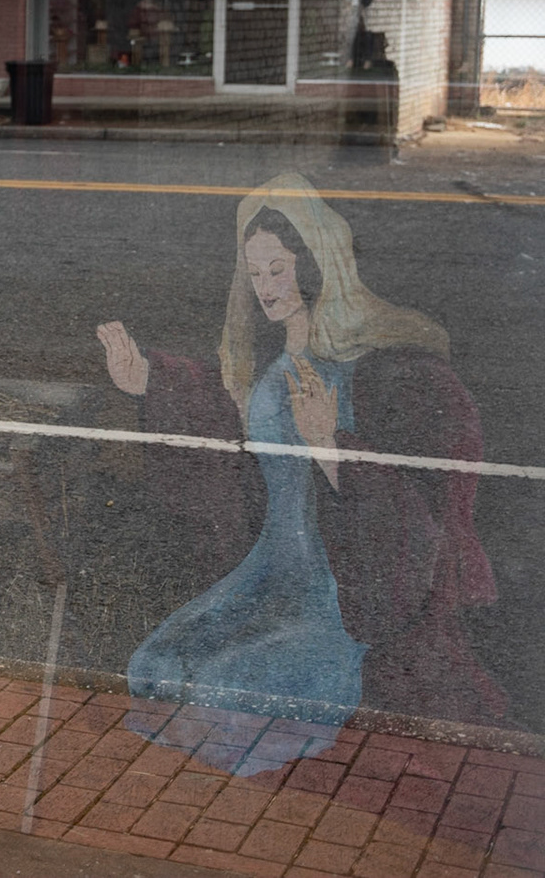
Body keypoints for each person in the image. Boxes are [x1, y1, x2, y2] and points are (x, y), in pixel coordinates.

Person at [97, 174, 505, 769]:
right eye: (255, 272)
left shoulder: (381, 369)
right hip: (273, 567)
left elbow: (422, 506)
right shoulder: (266, 359)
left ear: (315, 264)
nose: (265, 287)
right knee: (158, 666)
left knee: (227, 688)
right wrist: (148, 383)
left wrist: (329, 445)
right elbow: (227, 425)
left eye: (279, 268)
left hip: (342, 583)